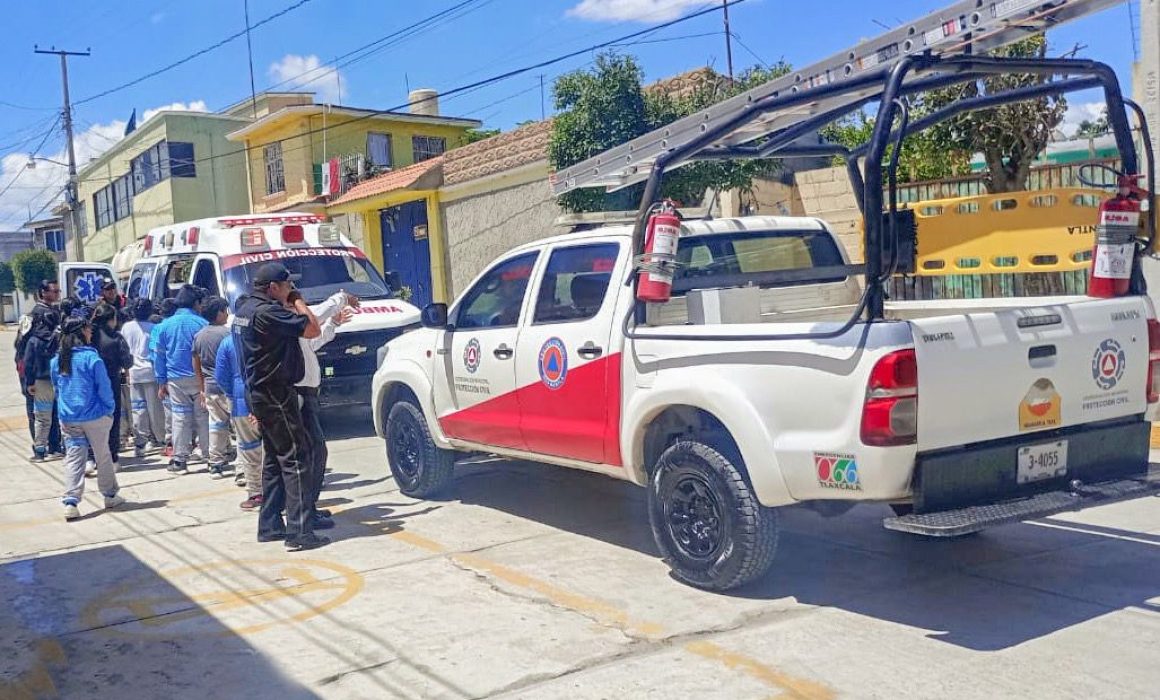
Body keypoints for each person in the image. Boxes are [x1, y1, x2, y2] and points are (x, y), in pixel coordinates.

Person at [234, 262, 326, 551]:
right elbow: (312, 329)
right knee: (297, 457)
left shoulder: (245, 310)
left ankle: (271, 524)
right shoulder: (268, 311)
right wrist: (297, 302)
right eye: (287, 286)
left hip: (259, 391)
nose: (291, 290)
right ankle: (300, 530)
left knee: (275, 460)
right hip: (275, 393)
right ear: (273, 288)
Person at [52, 316, 126, 521]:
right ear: (81, 332)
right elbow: (104, 389)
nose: (90, 331)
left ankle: (71, 502)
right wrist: (109, 410)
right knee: (103, 455)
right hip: (95, 416)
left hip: (68, 416)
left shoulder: (57, 360)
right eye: (87, 328)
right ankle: (110, 495)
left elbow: (57, 389)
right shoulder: (91, 358)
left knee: (74, 458)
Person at [295, 291, 356, 531]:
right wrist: (341, 297)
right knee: (313, 452)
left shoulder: (298, 327)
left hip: (309, 394)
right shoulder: (291, 318)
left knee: (315, 453)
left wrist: (334, 323)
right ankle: (305, 512)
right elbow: (318, 315)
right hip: (299, 394)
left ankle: (309, 507)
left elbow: (313, 342)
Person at [155, 285, 209, 474]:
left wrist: (161, 381)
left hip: (175, 379)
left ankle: (179, 460)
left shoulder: (164, 326)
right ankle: (210, 457)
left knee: (180, 418)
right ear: (195, 303)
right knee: (203, 417)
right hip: (199, 377)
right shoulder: (202, 323)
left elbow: (159, 356)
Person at [215, 333, 264, 510]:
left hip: (240, 402)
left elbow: (220, 376)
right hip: (270, 399)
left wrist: (233, 394)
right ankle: (277, 491)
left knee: (249, 449)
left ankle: (256, 493)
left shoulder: (227, 342)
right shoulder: (266, 334)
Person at [16, 280, 62, 460]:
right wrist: (28, 379)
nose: (58, 293)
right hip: (37, 373)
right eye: (54, 291)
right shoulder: (33, 317)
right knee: (39, 414)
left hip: (49, 373)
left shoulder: (52, 314)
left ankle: (52, 446)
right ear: (43, 292)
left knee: (51, 413)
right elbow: (22, 348)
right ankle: (43, 448)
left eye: (59, 290)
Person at [192, 296, 232, 479]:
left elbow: (196, 363)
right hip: (228, 388)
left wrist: (201, 388)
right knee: (238, 428)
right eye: (225, 311)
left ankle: (215, 463)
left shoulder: (199, 336)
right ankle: (241, 468)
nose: (227, 314)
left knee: (216, 426)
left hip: (209, 387)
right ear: (218, 314)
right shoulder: (227, 334)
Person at [91, 302, 134, 469]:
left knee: (93, 419)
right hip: (111, 381)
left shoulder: (89, 336)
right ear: (112, 319)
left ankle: (92, 456)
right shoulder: (116, 338)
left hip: (91, 383)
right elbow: (127, 361)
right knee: (113, 419)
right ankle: (113, 456)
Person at [122, 298, 165, 457]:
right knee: (155, 409)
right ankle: (159, 439)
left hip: (133, 372)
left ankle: (140, 442)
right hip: (150, 372)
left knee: (138, 409)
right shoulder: (154, 327)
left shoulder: (126, 327)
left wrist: (126, 372)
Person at [150, 298, 177, 454]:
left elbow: (155, 355)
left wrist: (161, 380)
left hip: (166, 375)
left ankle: (171, 444)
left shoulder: (158, 328)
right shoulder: (180, 324)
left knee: (170, 411)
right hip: (185, 373)